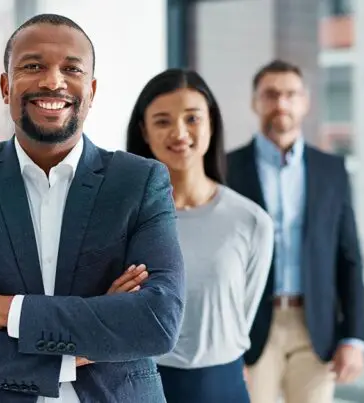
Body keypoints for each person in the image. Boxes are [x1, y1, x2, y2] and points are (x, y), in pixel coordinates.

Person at [0, 13, 186, 403]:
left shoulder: (140, 182)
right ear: (5, 86)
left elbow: (156, 322)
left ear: (92, 90)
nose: (53, 81)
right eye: (33, 66)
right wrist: (75, 349)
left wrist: (8, 313)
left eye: (71, 69)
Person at [126, 68, 274, 403]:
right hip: (140, 385)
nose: (179, 132)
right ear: (144, 132)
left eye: (192, 118)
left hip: (222, 385)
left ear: (211, 124)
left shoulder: (251, 221)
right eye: (163, 121)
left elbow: (242, 316)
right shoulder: (124, 220)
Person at [226, 60, 364, 403]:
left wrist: (354, 338)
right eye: (271, 94)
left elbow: (349, 257)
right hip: (248, 328)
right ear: (255, 102)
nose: (281, 104)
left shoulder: (331, 170)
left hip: (315, 328)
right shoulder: (226, 168)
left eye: (290, 94)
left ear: (306, 102)